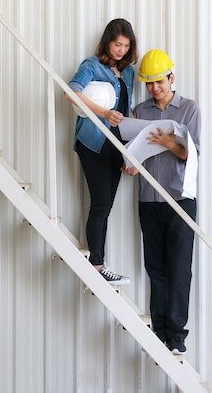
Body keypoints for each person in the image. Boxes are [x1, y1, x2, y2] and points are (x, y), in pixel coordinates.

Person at [125, 49, 201, 355]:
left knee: (179, 268)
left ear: (172, 78)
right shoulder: (140, 112)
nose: (155, 88)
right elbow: (133, 149)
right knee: (155, 267)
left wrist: (169, 142)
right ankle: (159, 330)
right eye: (149, 83)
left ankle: (177, 333)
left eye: (159, 81)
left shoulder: (190, 110)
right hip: (148, 199)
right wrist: (129, 162)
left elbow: (191, 153)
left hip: (180, 199)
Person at [66, 19, 138, 285]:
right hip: (94, 141)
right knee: (99, 204)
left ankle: (99, 263)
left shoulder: (128, 72)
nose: (121, 50)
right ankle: (96, 264)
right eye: (117, 44)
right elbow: (71, 93)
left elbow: (127, 110)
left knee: (105, 206)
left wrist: (130, 150)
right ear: (107, 41)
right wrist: (104, 113)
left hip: (117, 142)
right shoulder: (91, 65)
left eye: (126, 46)